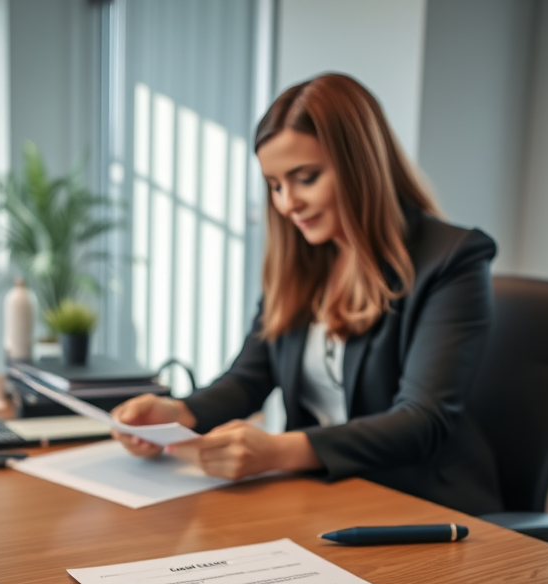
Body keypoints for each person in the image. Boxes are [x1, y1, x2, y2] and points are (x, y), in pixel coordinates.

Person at [111, 72, 502, 516]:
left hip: (420, 504)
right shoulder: (304, 261)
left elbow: (421, 420)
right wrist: (178, 413)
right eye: (275, 185)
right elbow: (248, 379)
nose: (287, 203)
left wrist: (279, 451)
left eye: (305, 178)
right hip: (323, 496)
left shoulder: (452, 258)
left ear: (361, 166)